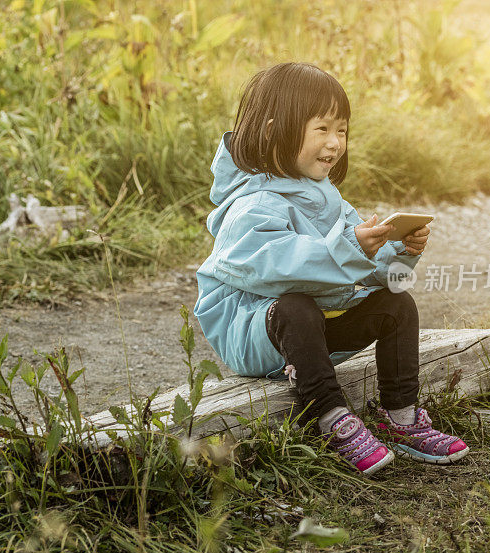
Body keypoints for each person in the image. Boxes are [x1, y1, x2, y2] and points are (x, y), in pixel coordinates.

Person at [193, 62, 469, 475]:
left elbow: (360, 272)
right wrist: (348, 248)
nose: (335, 142)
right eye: (322, 129)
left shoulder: (328, 199)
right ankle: (331, 419)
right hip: (255, 332)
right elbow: (277, 269)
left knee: (396, 303)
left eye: (342, 130)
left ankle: (402, 418)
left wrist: (398, 250)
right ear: (273, 132)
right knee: (295, 305)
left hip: (316, 330)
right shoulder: (250, 205)